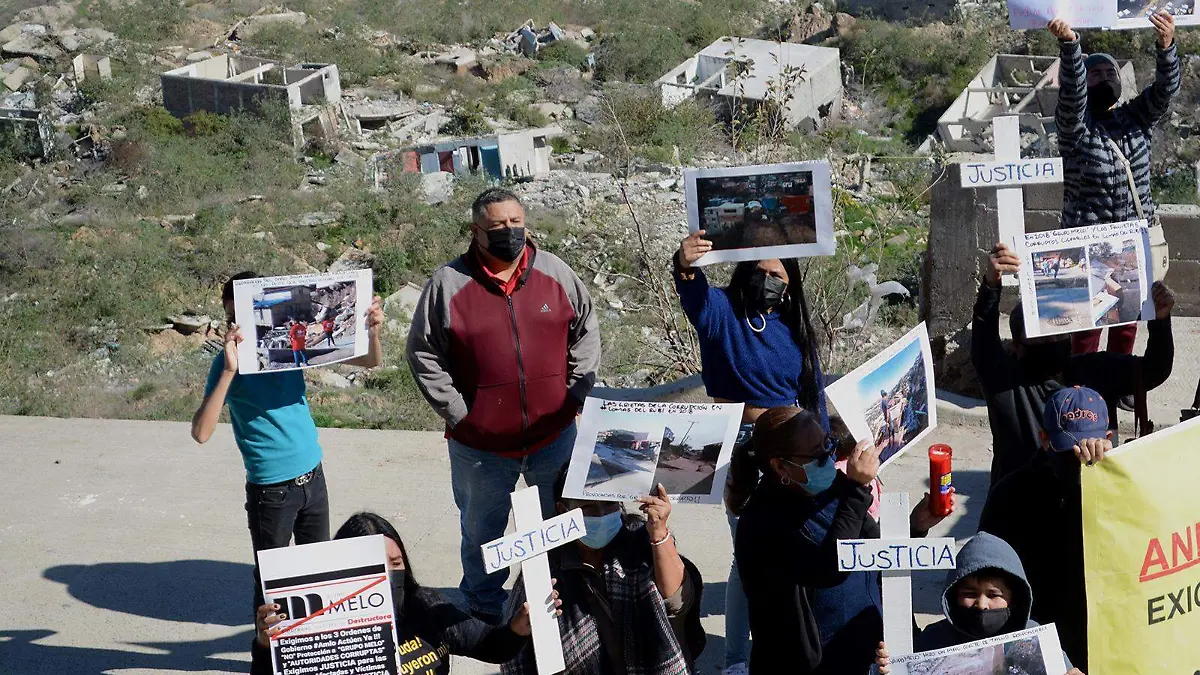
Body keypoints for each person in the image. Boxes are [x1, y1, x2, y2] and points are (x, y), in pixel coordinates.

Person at [406, 188, 601, 623]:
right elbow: (422, 354)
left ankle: (559, 605)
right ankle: (484, 612)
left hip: (554, 438)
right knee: (481, 534)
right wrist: (460, 414)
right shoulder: (448, 284)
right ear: (476, 231)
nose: (509, 232)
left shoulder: (555, 273)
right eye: (497, 226)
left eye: (516, 222)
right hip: (480, 448)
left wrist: (575, 394)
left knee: (559, 528)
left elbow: (587, 329)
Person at [191, 272, 383, 670]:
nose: (242, 326)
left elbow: (370, 360)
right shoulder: (229, 364)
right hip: (271, 491)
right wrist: (228, 370)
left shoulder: (291, 344)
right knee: (272, 586)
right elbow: (201, 432)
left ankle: (313, 658)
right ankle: (266, 663)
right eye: (234, 318)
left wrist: (371, 331)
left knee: (317, 578)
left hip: (313, 476)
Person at [673, 231, 831, 675]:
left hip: (797, 447)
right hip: (744, 446)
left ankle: (794, 645)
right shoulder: (723, 312)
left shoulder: (792, 327)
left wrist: (825, 450)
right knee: (749, 556)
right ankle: (738, 660)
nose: (767, 281)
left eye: (777, 275)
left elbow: (811, 392)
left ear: (790, 284)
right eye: (759, 273)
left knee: (798, 549)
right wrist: (684, 266)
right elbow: (695, 298)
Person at [734, 407, 951, 674]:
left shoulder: (832, 487)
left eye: (828, 446)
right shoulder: (762, 522)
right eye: (817, 454)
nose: (829, 459)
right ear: (780, 465)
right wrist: (856, 490)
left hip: (866, 650)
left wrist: (915, 526)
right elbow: (829, 568)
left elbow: (871, 550)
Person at [253, 512, 560, 675]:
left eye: (395, 563)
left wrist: (517, 629)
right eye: (375, 567)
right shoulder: (316, 631)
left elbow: (490, 646)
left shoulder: (427, 606)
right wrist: (267, 648)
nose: (388, 575)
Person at [971, 242, 1174, 485]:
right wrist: (991, 284)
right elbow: (983, 341)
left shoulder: (1095, 371)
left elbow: (1154, 370)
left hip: (1089, 504)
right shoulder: (1006, 384)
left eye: (1059, 331)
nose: (1054, 339)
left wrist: (1161, 321)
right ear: (1017, 345)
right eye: (1042, 334)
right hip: (1022, 508)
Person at [1049, 13, 1180, 359]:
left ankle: (1120, 383)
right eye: (1095, 73)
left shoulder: (1136, 118)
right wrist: (1071, 48)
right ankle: (1084, 390)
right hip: (1087, 244)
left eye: (1110, 73)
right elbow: (1072, 97)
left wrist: (1166, 46)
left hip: (1132, 240)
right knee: (1087, 329)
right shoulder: (1074, 128)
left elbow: (1165, 91)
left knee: (1127, 323)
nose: (1103, 77)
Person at [502, 468, 704, 675]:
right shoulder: (544, 566)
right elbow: (517, 653)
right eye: (588, 507)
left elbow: (676, 603)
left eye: (609, 504)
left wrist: (659, 533)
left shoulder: (640, 544)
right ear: (563, 510)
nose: (601, 515)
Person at [978, 386, 1113, 671]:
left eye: (1087, 448)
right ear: (1044, 439)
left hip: (1103, 637)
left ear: (1108, 440)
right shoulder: (1011, 493)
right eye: (1068, 450)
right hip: (1036, 641)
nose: (1077, 458)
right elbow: (985, 572)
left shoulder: (1121, 489)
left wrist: (1109, 475)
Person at [874, 532, 1083, 675]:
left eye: (993, 595)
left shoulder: (1035, 639)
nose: (982, 604)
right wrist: (885, 668)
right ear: (953, 593)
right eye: (970, 593)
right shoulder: (932, 639)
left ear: (1013, 597)